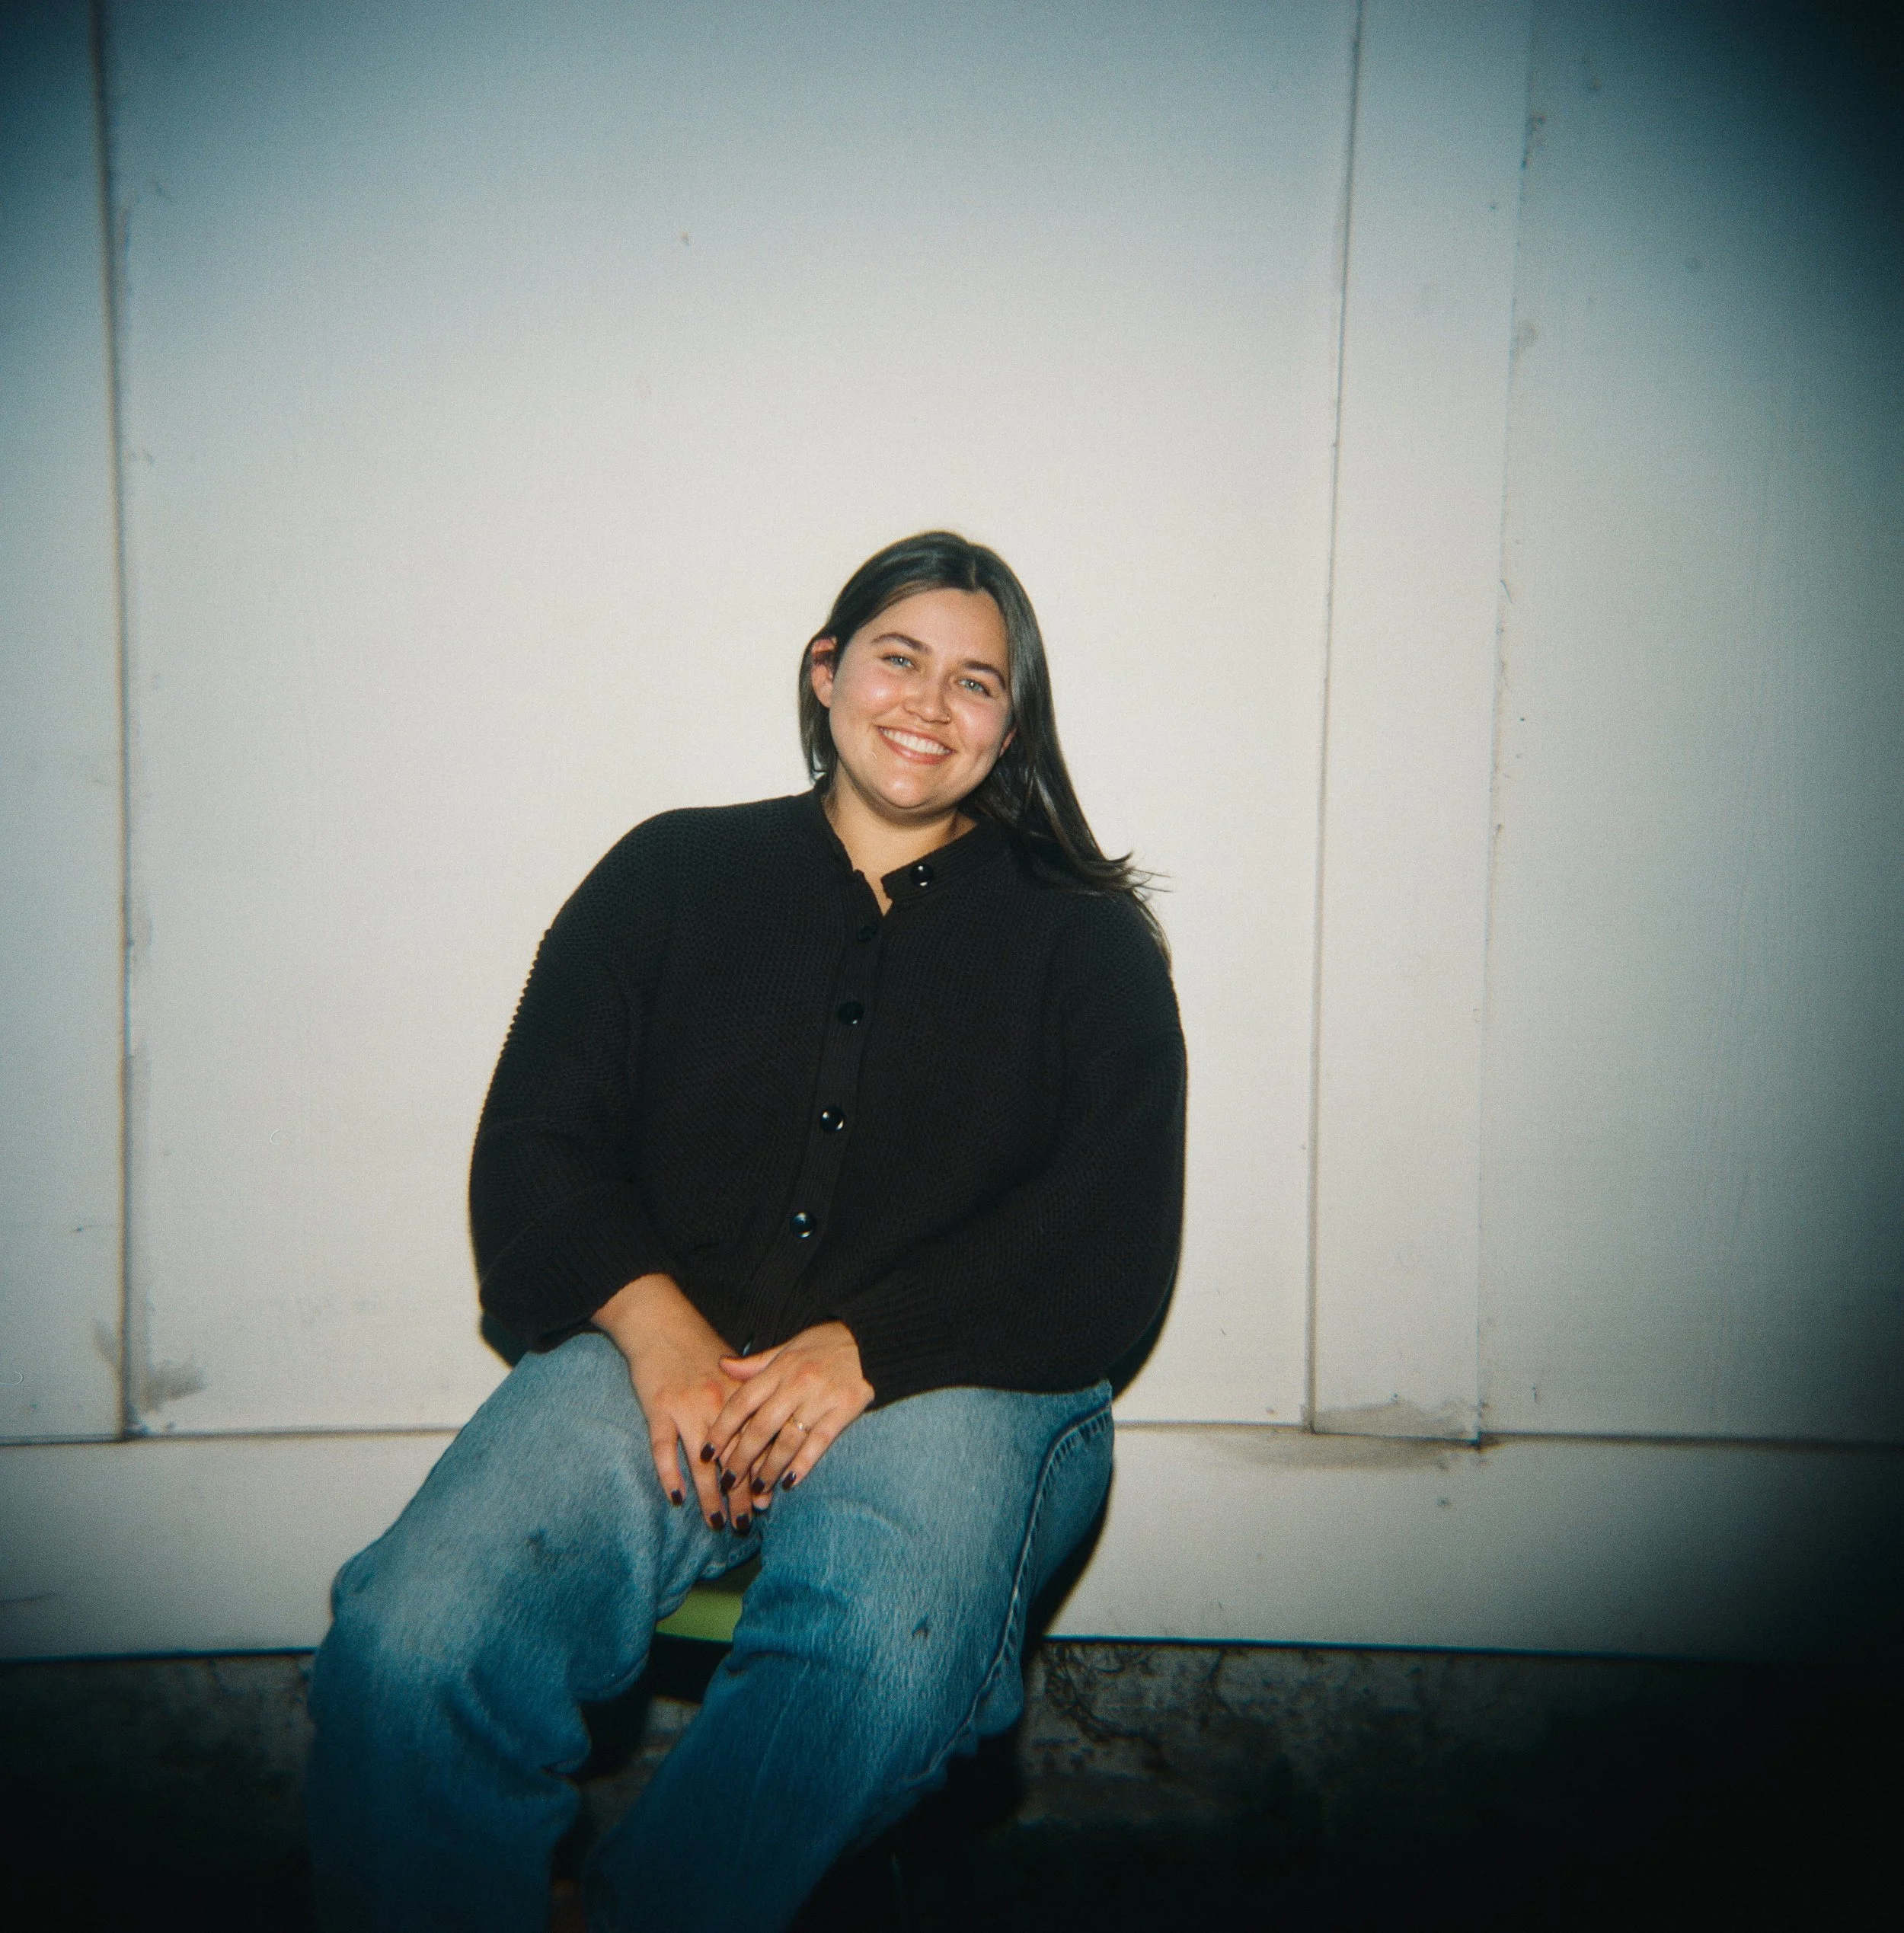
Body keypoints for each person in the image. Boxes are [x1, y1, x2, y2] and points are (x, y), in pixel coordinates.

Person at [305, 531, 1187, 1931]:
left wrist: (869, 1343)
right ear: (826, 671)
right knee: (413, 1640)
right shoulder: (671, 871)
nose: (929, 702)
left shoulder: (1089, 941)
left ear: (1011, 727)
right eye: (898, 657)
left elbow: (1112, 1238)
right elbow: (535, 1145)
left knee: (882, 1658)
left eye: (976, 682)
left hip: (969, 1377)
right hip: (668, 1356)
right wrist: (656, 1327)